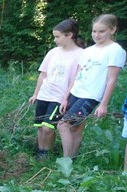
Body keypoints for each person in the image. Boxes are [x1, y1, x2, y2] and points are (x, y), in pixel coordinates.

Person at [58, 14, 126, 158]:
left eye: (102, 31)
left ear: (112, 30)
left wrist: (103, 104)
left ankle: (66, 161)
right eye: (94, 31)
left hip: (91, 96)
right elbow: (77, 74)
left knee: (63, 125)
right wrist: (66, 97)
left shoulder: (115, 50)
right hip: (76, 92)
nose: (97, 35)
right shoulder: (88, 50)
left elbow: (111, 79)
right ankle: (73, 158)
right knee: (75, 128)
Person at [28, 19, 84, 161]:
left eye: (57, 37)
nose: (55, 40)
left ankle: (47, 152)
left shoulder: (81, 54)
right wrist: (35, 94)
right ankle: (41, 151)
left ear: (69, 35)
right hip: (44, 94)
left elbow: (75, 80)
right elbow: (43, 74)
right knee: (40, 127)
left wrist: (66, 98)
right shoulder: (53, 52)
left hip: (59, 97)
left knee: (48, 127)